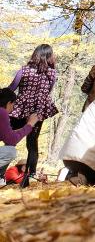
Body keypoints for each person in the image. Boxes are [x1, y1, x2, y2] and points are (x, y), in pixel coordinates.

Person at [8, 44, 58, 187]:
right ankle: (29, 177)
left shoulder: (23, 70)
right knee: (32, 143)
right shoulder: (52, 73)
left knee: (9, 139)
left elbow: (12, 88)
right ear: (49, 56)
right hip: (38, 110)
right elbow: (48, 91)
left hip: (20, 108)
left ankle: (1, 174)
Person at [0, 88, 39, 183]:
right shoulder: (2, 112)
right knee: (10, 151)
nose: (13, 108)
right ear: (9, 103)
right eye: (13, 104)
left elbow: (7, 135)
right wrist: (30, 124)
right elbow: (11, 140)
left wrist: (24, 128)